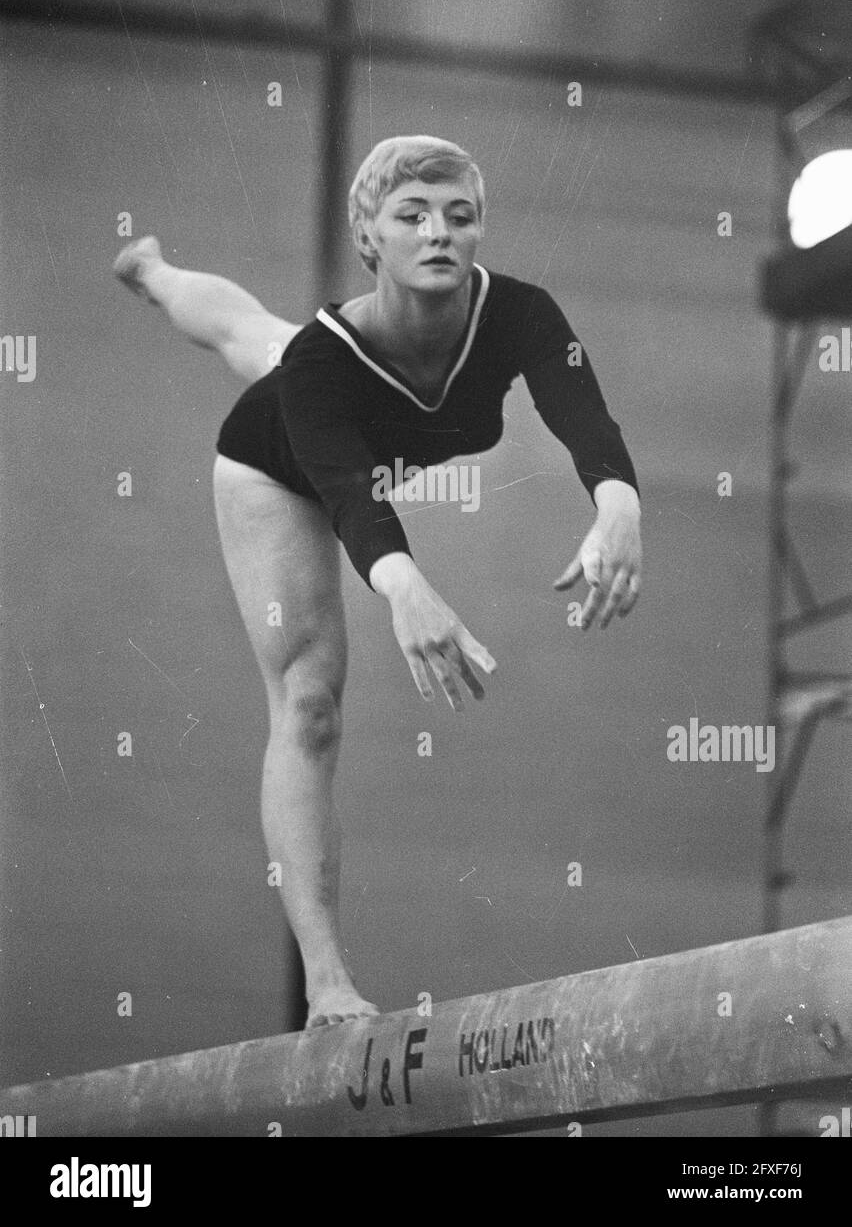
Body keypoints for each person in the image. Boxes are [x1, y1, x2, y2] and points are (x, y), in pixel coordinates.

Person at [113, 134, 642, 1030]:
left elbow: (582, 413)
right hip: (279, 465)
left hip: (361, 425)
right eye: (413, 216)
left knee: (257, 334)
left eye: (460, 216)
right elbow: (349, 493)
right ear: (370, 239)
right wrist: (403, 587)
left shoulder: (520, 314)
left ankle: (158, 271)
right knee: (310, 703)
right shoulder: (323, 364)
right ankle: (326, 983)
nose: (440, 232)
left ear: (479, 233)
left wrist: (619, 505)